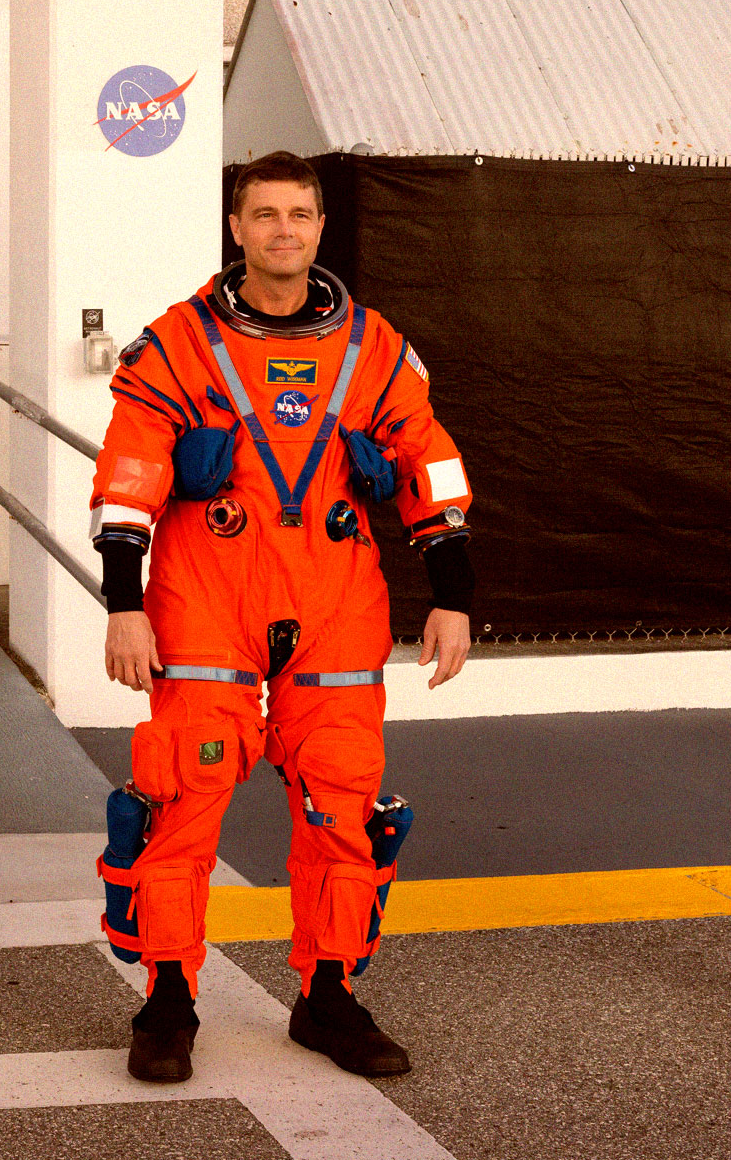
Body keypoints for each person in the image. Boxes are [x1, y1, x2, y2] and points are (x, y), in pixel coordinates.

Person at [89, 151, 474, 1083]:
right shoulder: (180, 342)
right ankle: (169, 999)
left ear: (320, 228)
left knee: (344, 811)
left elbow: (432, 466)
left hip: (334, 600)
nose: (283, 232)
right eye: (264, 215)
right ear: (236, 227)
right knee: (180, 807)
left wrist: (454, 593)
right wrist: (123, 604)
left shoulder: (376, 347)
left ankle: (328, 995)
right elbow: (129, 473)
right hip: (204, 601)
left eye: (299, 215)